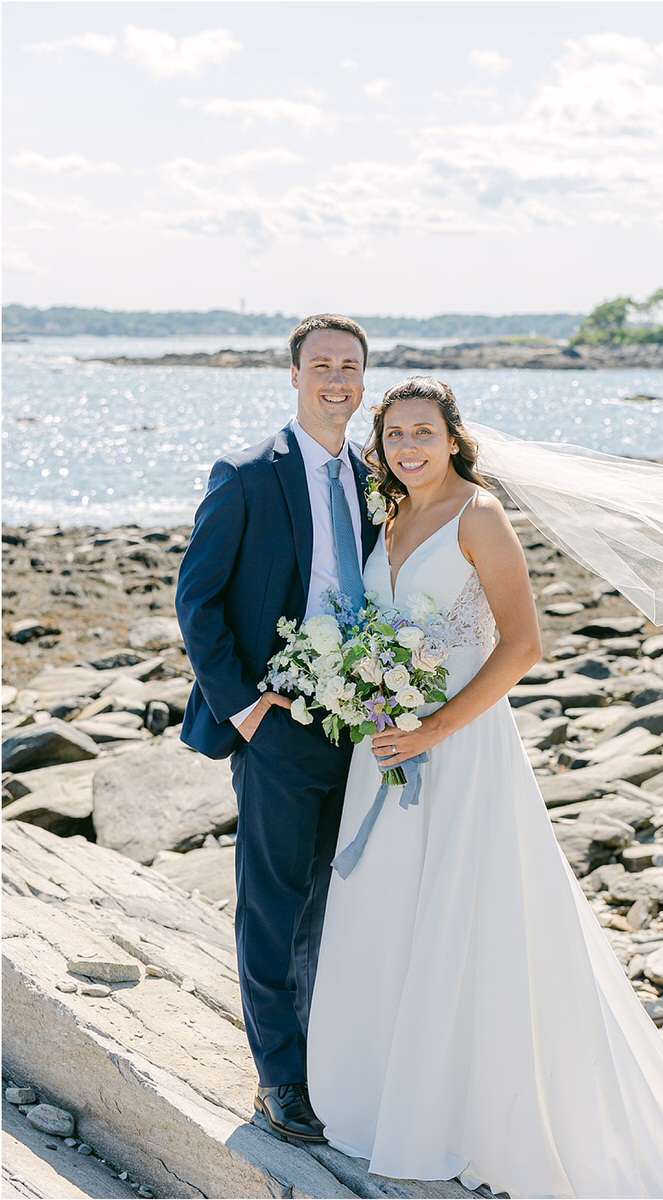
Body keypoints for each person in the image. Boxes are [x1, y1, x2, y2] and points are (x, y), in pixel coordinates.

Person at [306, 376, 663, 1199]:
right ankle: (390, 1096)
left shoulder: (479, 516)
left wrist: (434, 729)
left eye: (422, 432)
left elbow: (523, 644)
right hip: (385, 747)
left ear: (454, 439)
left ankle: (462, 1116)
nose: (407, 448)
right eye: (393, 436)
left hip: (457, 752)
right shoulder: (390, 516)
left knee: (467, 920)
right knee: (390, 912)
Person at [175, 314, 378, 1143]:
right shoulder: (249, 472)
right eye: (322, 365)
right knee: (272, 905)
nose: (337, 379)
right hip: (279, 722)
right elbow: (198, 601)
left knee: (341, 899)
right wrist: (249, 710)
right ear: (293, 375)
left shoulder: (378, 476)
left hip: (363, 725)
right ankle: (280, 1081)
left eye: (351, 367)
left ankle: (330, 1057)